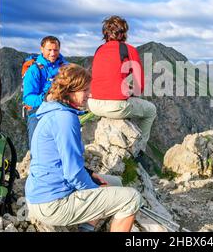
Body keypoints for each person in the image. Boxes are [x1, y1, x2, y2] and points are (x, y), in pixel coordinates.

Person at [25, 64, 142, 232]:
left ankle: (86, 229)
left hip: (44, 193)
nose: (90, 94)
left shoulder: (54, 111)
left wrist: (91, 175)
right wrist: (95, 190)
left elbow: (62, 161)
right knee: (132, 198)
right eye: (84, 90)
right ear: (69, 91)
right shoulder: (64, 119)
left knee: (115, 182)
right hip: (52, 203)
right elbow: (72, 173)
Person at [88, 16, 157, 150]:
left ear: (105, 33)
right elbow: (140, 86)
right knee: (151, 110)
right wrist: (130, 91)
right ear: (124, 32)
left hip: (93, 104)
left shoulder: (99, 50)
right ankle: (139, 149)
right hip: (115, 106)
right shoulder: (128, 50)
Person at [23, 36, 68, 148]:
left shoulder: (65, 67)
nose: (53, 53)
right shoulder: (34, 70)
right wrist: (45, 99)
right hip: (37, 112)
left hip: (60, 109)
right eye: (49, 50)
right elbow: (28, 98)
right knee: (37, 146)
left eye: (56, 50)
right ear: (42, 49)